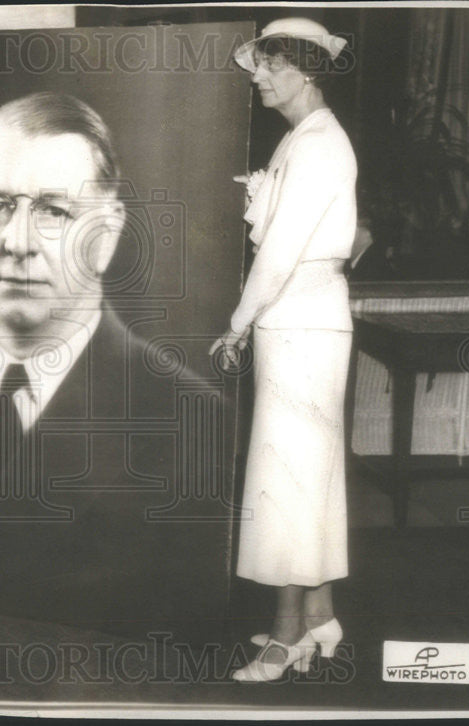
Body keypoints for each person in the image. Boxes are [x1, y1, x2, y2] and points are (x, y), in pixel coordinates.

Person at [0, 92, 228, 640]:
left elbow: (191, 649)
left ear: (107, 235)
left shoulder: (191, 420)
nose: (17, 242)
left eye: (55, 210)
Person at [211, 18, 355, 681]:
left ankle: (286, 634)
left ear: (308, 70)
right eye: (257, 65)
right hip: (300, 320)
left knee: (288, 479)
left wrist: (237, 321)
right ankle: (320, 613)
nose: (258, 76)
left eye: (270, 66)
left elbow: (279, 251)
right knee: (304, 473)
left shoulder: (319, 145)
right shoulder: (303, 139)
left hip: (298, 320)